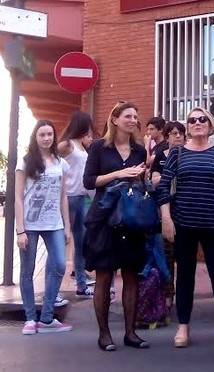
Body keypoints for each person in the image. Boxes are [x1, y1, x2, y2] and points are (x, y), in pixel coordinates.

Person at [156, 107, 214, 348]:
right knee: (184, 276)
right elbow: (163, 187)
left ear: (210, 124)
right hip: (184, 224)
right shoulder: (177, 153)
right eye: (192, 120)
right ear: (188, 127)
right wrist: (166, 218)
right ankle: (183, 326)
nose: (197, 122)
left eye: (202, 119)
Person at [83, 101, 149, 351]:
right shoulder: (99, 147)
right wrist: (118, 174)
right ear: (115, 119)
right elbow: (89, 181)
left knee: (132, 275)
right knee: (104, 275)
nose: (132, 120)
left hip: (131, 219)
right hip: (104, 218)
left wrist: (143, 178)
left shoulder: (139, 150)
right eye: (127, 116)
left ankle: (131, 333)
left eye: (135, 116)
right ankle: (104, 334)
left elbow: (139, 184)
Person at [15, 120, 73, 335]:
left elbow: (63, 196)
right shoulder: (25, 162)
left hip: (54, 223)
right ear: (35, 137)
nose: (47, 138)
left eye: (50, 134)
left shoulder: (61, 163)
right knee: (27, 271)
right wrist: (20, 230)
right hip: (29, 224)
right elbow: (18, 197)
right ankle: (30, 319)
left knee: (59, 264)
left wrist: (67, 226)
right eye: (42, 134)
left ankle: (47, 318)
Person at [58, 111, 96, 299]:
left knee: (80, 242)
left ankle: (81, 285)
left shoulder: (82, 146)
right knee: (61, 241)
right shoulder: (67, 144)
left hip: (82, 197)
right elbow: (51, 162)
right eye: (88, 125)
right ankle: (55, 289)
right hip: (69, 197)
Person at [150, 120, 186, 311]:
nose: (178, 136)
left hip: (185, 208)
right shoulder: (160, 155)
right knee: (167, 253)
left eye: (180, 133)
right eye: (173, 133)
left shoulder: (189, 153)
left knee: (184, 254)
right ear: (167, 137)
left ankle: (183, 295)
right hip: (165, 208)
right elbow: (153, 180)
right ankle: (168, 293)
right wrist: (165, 178)